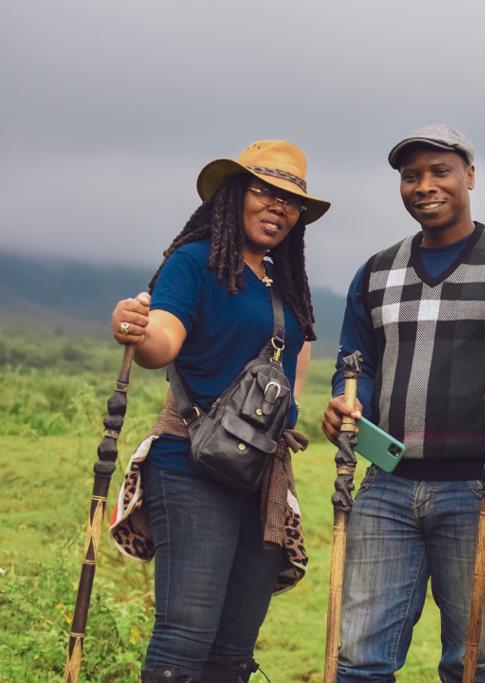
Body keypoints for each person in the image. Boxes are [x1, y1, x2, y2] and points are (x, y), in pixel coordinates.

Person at [321, 124, 485, 682]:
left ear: (470, 176)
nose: (424, 185)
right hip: (385, 486)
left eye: (440, 171)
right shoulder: (376, 272)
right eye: (411, 176)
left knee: (469, 660)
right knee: (359, 658)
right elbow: (355, 365)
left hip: (483, 485)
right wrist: (343, 403)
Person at [108, 140, 331, 682]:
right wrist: (135, 331)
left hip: (262, 474)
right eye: (264, 191)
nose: (277, 207)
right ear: (234, 194)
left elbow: (295, 360)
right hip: (190, 462)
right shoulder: (195, 262)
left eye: (290, 201)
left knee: (234, 650)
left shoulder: (285, 283)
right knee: (185, 637)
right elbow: (164, 340)